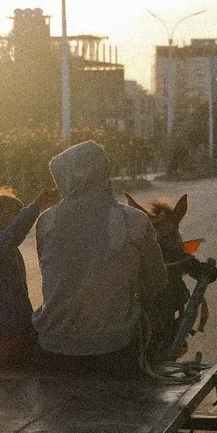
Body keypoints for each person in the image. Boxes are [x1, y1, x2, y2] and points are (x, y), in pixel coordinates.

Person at [32, 140, 167, 376]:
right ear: (104, 172)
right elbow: (156, 282)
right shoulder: (133, 221)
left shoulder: (46, 222)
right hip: (113, 348)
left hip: (51, 346)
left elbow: (53, 275)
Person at [0, 187, 57, 366]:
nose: (26, 229)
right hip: (11, 339)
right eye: (16, 215)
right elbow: (16, 229)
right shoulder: (0, 244)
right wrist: (37, 204)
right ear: (2, 220)